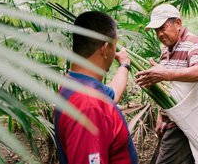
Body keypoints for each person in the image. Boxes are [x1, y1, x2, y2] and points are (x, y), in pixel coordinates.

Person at [54, 11, 138, 164]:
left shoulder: (74, 83)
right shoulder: (89, 106)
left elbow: (113, 94)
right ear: (105, 48)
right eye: (114, 47)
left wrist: (124, 65)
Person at [135, 4, 198, 164]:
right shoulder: (166, 51)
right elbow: (168, 89)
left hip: (187, 119)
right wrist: (160, 116)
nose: (160, 34)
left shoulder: (193, 43)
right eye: (156, 30)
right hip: (173, 120)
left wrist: (166, 74)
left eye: (163, 28)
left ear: (178, 23)